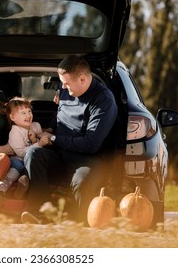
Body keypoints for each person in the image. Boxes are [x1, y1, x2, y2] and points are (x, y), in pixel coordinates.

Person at [22, 55, 118, 224]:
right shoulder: (66, 90)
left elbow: (91, 144)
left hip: (88, 159)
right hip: (59, 154)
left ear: (82, 79)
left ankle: (80, 224)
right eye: (62, 83)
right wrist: (48, 129)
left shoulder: (103, 100)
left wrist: (53, 138)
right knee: (33, 153)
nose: (63, 87)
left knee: (81, 181)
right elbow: (61, 115)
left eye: (66, 83)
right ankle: (39, 214)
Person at [0, 97, 50, 205]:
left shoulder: (36, 126)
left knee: (31, 175)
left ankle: (20, 190)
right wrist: (39, 144)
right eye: (23, 113)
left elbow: (41, 139)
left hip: (32, 163)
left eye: (29, 111)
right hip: (18, 161)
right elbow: (21, 152)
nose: (28, 115)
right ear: (12, 117)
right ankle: (0, 191)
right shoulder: (15, 132)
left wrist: (38, 138)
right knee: (12, 174)